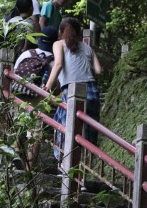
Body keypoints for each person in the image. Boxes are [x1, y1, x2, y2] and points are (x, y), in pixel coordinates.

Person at [44, 18, 102, 159]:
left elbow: (58, 64)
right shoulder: (88, 48)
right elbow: (99, 71)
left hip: (71, 90)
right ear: (79, 34)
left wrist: (47, 87)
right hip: (92, 92)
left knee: (64, 126)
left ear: (60, 32)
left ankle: (63, 162)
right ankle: (86, 162)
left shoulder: (59, 44)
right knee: (89, 129)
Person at [12, 26, 58, 170]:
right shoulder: (54, 61)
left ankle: (14, 157)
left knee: (18, 125)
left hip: (18, 95)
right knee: (35, 132)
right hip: (38, 97)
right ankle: (29, 169)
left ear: (38, 39)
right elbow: (55, 85)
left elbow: (14, 73)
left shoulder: (27, 54)